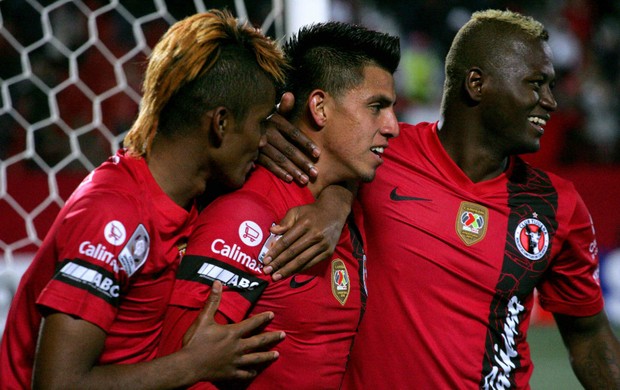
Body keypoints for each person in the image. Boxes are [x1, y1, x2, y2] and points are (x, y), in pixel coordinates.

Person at [260, 9, 620, 389]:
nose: (550, 101)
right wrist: (271, 136)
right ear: (476, 84)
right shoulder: (380, 152)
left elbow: (590, 337)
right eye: (536, 83)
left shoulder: (555, 205)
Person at [0, 9, 290, 389]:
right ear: (220, 123)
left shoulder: (188, 195)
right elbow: (58, 384)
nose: (265, 141)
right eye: (260, 125)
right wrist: (193, 364)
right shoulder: (113, 217)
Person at [158, 21, 400, 389]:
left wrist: (338, 201)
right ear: (319, 107)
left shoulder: (353, 204)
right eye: (376, 107)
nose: (393, 127)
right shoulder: (249, 216)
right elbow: (182, 366)